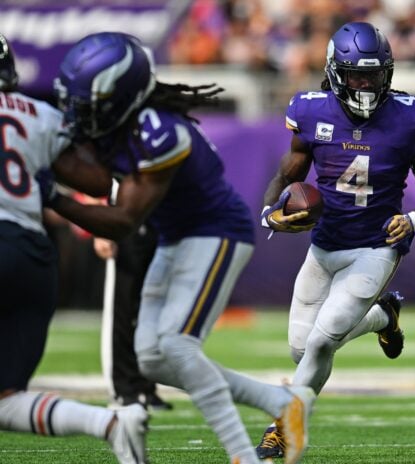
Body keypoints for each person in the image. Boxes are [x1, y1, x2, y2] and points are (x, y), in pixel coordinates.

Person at [42, 32, 314, 464]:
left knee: (178, 347)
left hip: (215, 233)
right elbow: (104, 182)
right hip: (175, 236)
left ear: (120, 97)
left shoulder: (159, 131)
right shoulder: (125, 124)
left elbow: (124, 219)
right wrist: (47, 164)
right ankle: (282, 402)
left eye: (88, 104)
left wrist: (52, 197)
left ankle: (242, 454)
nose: (79, 114)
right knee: (150, 357)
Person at [255, 21, 415, 459]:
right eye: (356, 75)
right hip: (325, 246)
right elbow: (288, 174)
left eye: (374, 74)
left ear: (388, 72)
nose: (365, 84)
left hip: (376, 246)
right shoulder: (311, 111)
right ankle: (384, 317)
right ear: (334, 72)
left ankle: (284, 427)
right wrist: (271, 211)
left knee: (324, 341)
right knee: (300, 349)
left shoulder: (408, 116)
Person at [0, 33, 148, 464]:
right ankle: (112, 425)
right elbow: (98, 183)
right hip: (32, 255)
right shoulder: (39, 114)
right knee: (7, 398)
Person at [93, 221, 173, 411]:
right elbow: (104, 190)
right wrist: (101, 229)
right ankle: (123, 389)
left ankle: (145, 387)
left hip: (155, 223)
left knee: (151, 311)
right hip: (124, 223)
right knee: (122, 309)